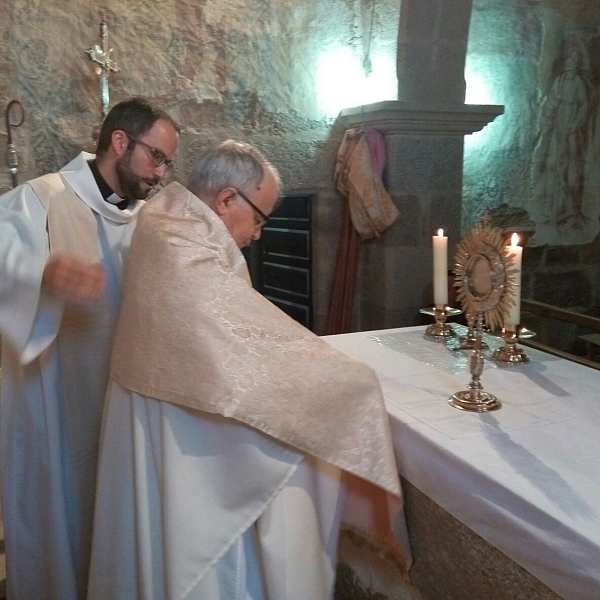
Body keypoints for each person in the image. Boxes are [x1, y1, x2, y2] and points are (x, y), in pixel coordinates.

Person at [87, 141, 402, 600]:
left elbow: (234, 334)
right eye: (259, 218)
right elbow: (230, 345)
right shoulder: (180, 245)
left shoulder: (170, 220)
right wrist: (347, 382)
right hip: (189, 441)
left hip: (162, 411)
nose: (257, 234)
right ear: (228, 199)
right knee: (295, 454)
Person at [0, 97, 180, 600]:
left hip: (122, 406)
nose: (161, 173)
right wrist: (40, 275)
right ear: (119, 142)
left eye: (168, 162)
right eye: (156, 157)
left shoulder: (147, 221)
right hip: (55, 409)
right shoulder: (39, 201)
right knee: (61, 525)